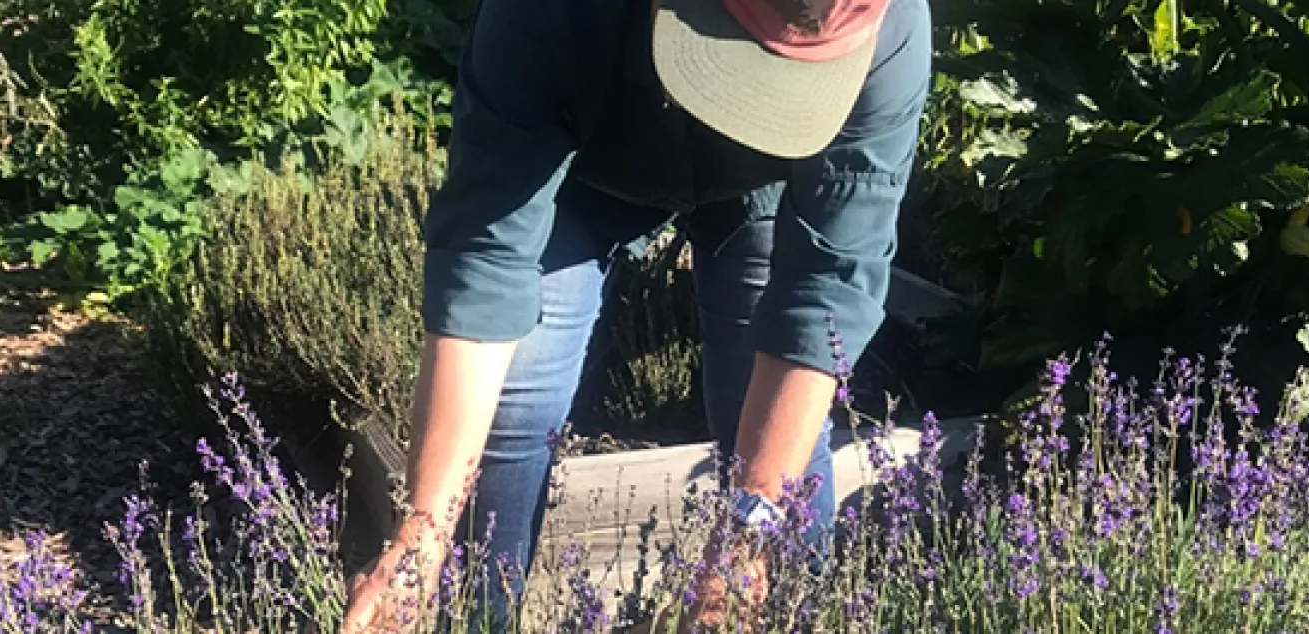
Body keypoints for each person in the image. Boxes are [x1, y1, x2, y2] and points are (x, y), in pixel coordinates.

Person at [339, 0, 931, 629]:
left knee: (779, 447)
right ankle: (475, 616)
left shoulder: (888, 30)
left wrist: (748, 533)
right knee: (515, 403)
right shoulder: (544, 13)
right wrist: (422, 534)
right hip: (585, 163)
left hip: (765, 181)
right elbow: (489, 257)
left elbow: (826, 287)